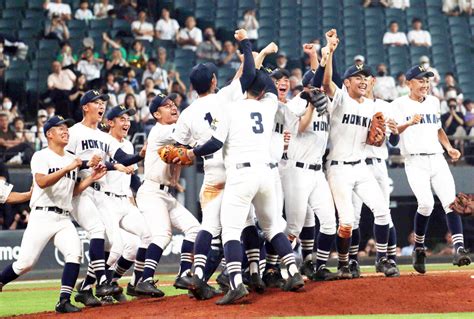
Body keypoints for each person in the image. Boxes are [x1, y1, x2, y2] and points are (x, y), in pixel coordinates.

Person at [184, 31, 304, 305]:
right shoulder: (269, 105)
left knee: (229, 230)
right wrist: (257, 53)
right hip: (265, 174)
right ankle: (293, 271)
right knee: (273, 226)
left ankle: (236, 283)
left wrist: (192, 151)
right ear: (263, 90)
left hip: (240, 174)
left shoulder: (230, 108)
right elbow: (268, 86)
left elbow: (214, 142)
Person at [170, 30, 262, 299]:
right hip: (233, 167)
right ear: (213, 80)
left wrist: (182, 155)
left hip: (210, 170)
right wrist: (245, 45)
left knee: (208, 226)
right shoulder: (225, 97)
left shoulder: (186, 113)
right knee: (245, 222)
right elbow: (247, 76)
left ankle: (198, 275)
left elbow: (178, 147)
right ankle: (250, 271)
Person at [0, 115, 106, 313]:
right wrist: (68, 168)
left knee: (75, 253)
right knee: (25, 264)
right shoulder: (41, 156)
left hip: (63, 217)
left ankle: (63, 301)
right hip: (42, 216)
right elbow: (41, 182)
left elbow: (72, 191)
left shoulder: (71, 158)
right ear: (49, 134)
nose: (66, 131)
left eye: (66, 128)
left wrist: (91, 178)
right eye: (60, 128)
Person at [322, 29, 395, 278]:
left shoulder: (373, 106)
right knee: (347, 222)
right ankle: (346, 263)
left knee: (382, 211)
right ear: (347, 82)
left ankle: (383, 259)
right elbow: (325, 83)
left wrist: (384, 133)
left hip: (361, 165)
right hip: (339, 167)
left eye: (366, 77)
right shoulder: (341, 99)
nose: (363, 80)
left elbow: (380, 136)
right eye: (357, 77)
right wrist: (330, 51)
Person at [67, 90, 145, 306]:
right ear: (85, 107)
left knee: (117, 246)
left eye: (103, 103)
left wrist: (140, 155)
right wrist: (85, 164)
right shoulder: (74, 132)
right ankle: (100, 282)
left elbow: (123, 157)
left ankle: (88, 288)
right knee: (100, 233)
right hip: (80, 190)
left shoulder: (103, 137)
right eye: (96, 103)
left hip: (96, 191)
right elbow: (64, 161)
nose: (101, 106)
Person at [393, 65, 471, 274]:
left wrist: (449, 147)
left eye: (427, 80)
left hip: (437, 158)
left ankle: (459, 248)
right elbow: (393, 134)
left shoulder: (434, 101)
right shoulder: (398, 104)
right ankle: (419, 247)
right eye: (420, 80)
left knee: (451, 203)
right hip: (414, 160)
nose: (425, 84)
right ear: (409, 83)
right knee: (426, 204)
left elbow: (438, 129)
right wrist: (408, 123)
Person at [133, 94, 199, 297]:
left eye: (173, 104)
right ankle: (144, 280)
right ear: (156, 114)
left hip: (166, 194)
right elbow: (187, 135)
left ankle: (184, 273)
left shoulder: (172, 133)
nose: (173, 107)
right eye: (166, 106)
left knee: (195, 229)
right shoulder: (161, 131)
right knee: (162, 235)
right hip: (151, 192)